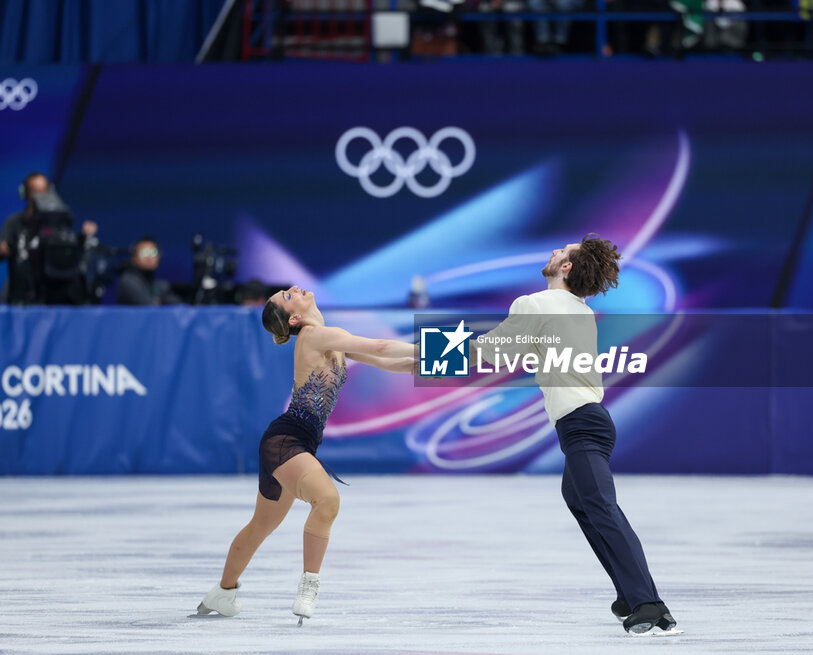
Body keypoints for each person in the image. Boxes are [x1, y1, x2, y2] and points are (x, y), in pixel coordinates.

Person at [471, 235, 676, 634]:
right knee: (582, 501)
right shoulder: (577, 310)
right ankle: (630, 593)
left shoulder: (537, 304)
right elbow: (519, 350)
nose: (553, 252)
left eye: (560, 252)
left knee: (602, 508)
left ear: (566, 268)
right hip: (589, 422)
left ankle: (649, 603)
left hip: (582, 423)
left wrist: (421, 353)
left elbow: (494, 351)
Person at [198, 285, 417, 624]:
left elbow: (398, 363)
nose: (291, 289)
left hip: (294, 444)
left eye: (285, 290)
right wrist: (448, 345)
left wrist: (465, 356)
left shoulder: (331, 338)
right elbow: (382, 345)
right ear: (295, 317)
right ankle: (309, 584)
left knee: (259, 526)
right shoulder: (315, 336)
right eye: (287, 297)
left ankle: (223, 593)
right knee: (327, 501)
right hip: (286, 441)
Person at [1, 172, 97, 304]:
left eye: (44, 191)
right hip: (21, 298)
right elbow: (3, 250)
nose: (40, 196)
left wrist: (82, 237)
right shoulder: (14, 223)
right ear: (25, 193)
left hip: (50, 298)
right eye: (35, 191)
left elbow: (69, 253)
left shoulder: (57, 223)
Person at [116, 237, 182, 305]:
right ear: (133, 258)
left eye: (154, 252)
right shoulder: (128, 280)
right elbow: (149, 307)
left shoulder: (159, 285)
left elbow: (177, 306)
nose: (149, 257)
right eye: (144, 253)